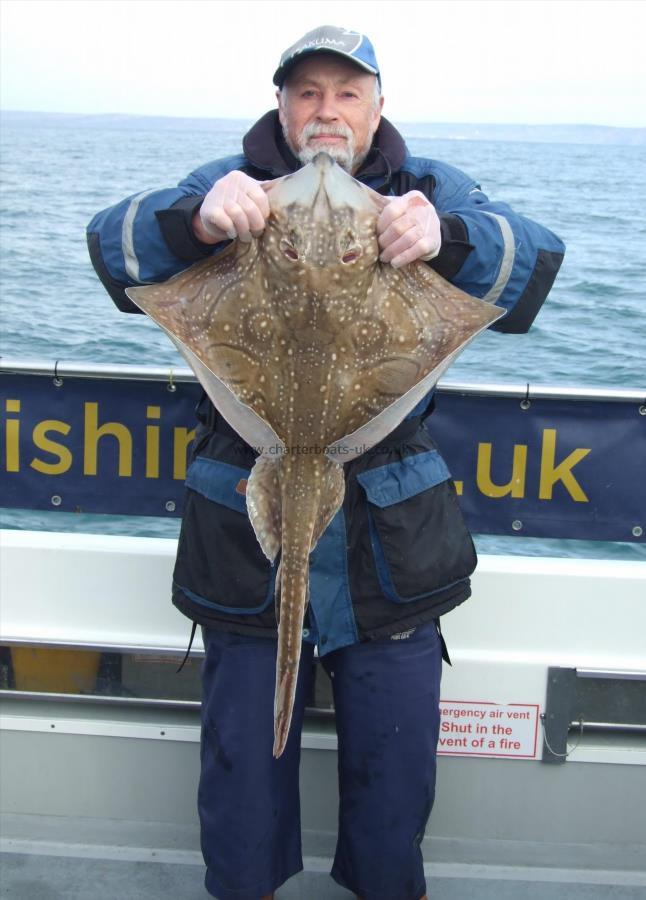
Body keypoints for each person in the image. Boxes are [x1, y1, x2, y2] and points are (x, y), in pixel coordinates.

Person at [87, 25, 564, 900]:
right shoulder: (225, 183)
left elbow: (533, 265)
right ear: (281, 106)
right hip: (245, 521)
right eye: (307, 92)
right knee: (241, 778)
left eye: (347, 93)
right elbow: (112, 253)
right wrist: (194, 222)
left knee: (394, 773)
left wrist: (448, 234)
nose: (327, 110)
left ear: (379, 107)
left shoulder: (427, 189)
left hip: (391, 537)